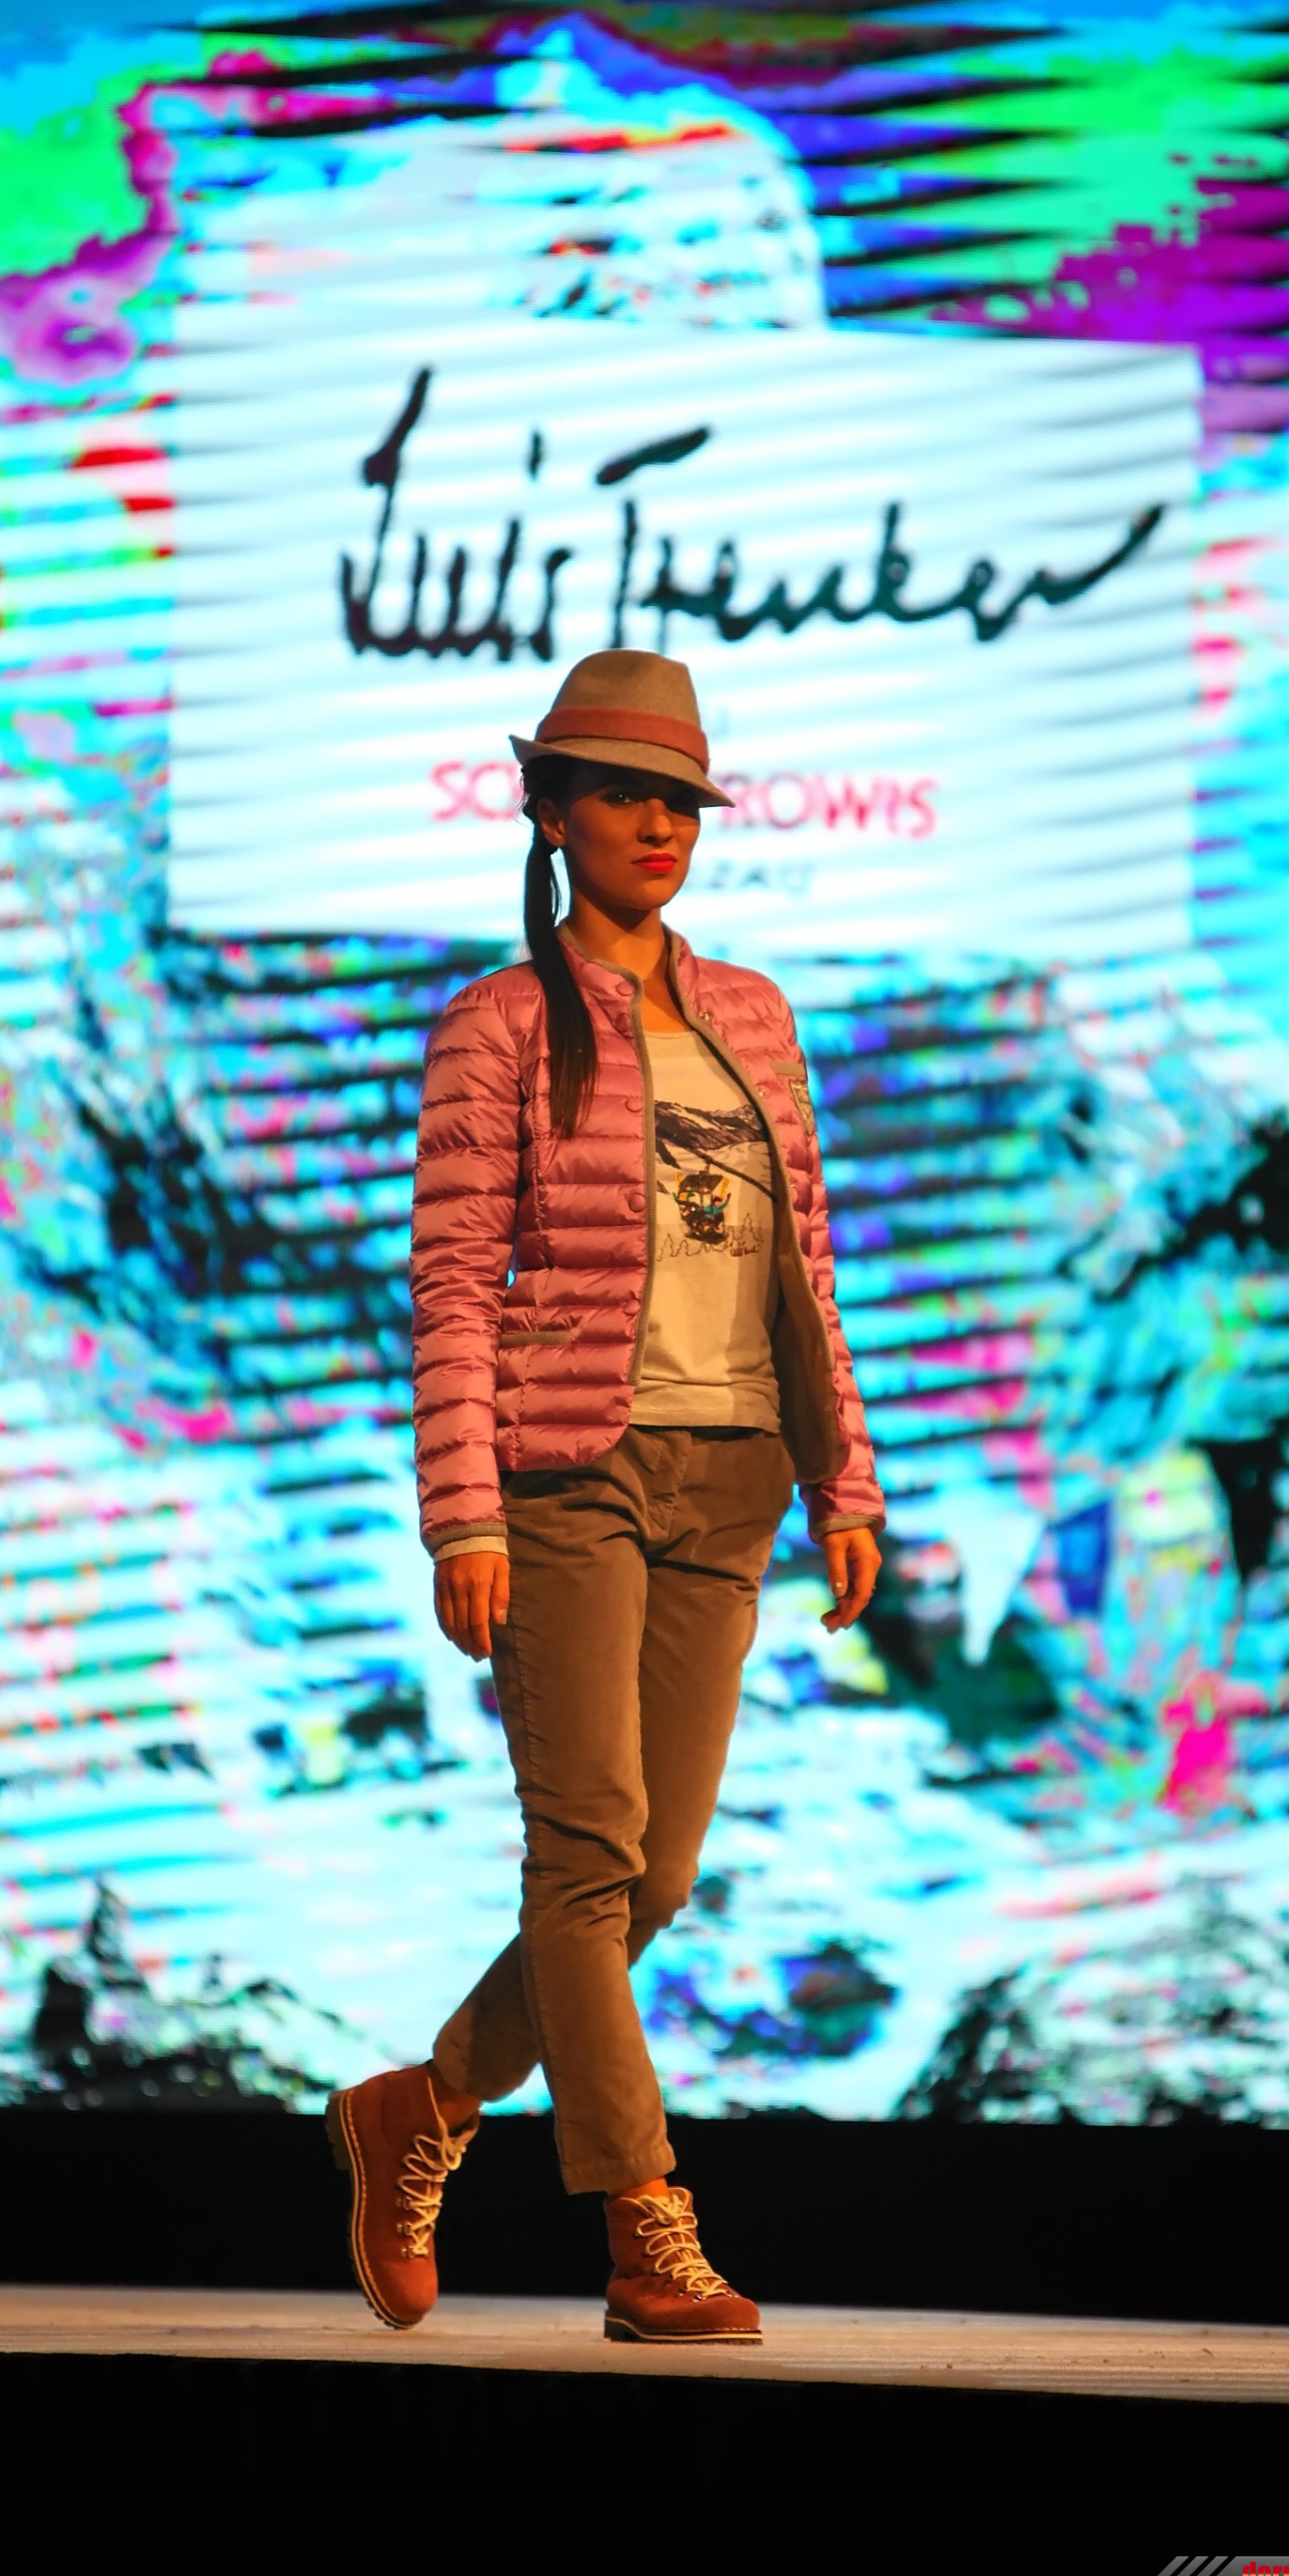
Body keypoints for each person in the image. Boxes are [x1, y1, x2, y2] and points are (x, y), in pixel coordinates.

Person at [326, 649, 884, 2344]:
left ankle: (424, 2106)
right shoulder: (498, 1023)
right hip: (571, 1470)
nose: (659, 825)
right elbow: (449, 1280)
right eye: (625, 794)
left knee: (659, 1875)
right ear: (551, 811)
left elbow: (807, 1270)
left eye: (680, 801)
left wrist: (843, 1479)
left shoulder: (756, 1016)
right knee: (585, 1856)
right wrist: (464, 1509)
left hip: (735, 1472)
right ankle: (649, 2226)